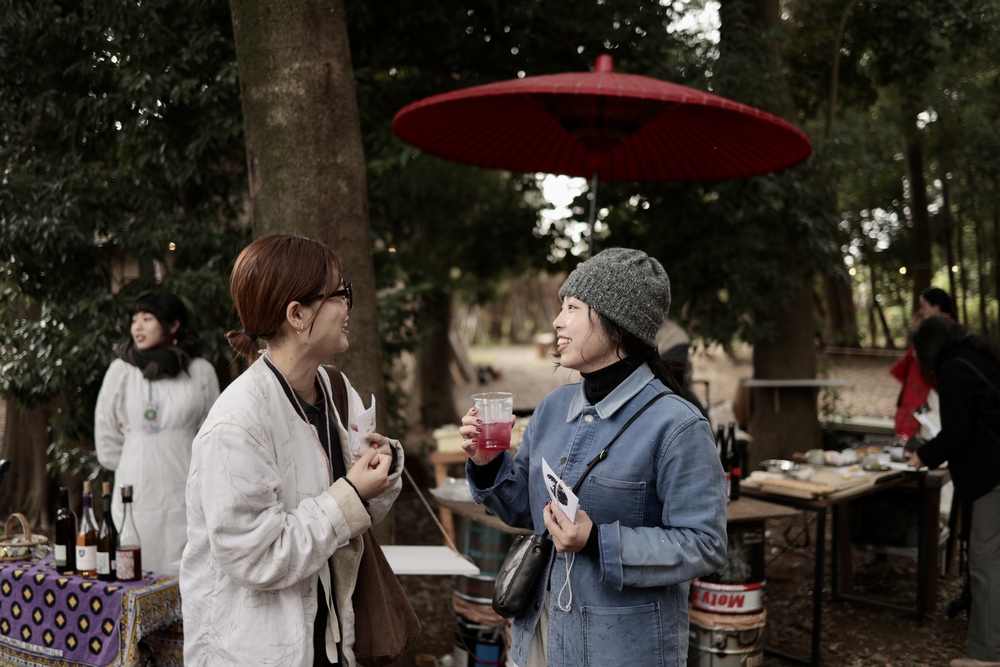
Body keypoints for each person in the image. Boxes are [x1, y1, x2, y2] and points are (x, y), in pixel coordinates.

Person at [459, 248, 728, 667]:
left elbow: (705, 545)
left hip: (622, 649)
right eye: (561, 307)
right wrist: (487, 462)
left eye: (572, 308)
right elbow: (527, 511)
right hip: (540, 637)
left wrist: (597, 540)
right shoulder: (552, 408)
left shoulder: (677, 425)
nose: (557, 321)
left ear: (617, 322)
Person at [180, 234, 403, 666]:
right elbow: (258, 558)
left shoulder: (335, 388)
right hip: (255, 651)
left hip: (333, 640)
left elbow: (360, 515)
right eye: (340, 293)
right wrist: (350, 495)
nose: (348, 306)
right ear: (297, 315)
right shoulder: (236, 425)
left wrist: (380, 473)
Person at [95, 291, 220, 574]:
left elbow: (211, 433)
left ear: (173, 325)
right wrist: (133, 461)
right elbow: (106, 431)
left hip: (187, 484)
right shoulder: (121, 371)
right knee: (137, 566)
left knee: (189, 570)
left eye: (147, 318)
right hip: (136, 488)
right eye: (134, 319)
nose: (137, 326)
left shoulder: (200, 371)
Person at [905, 316, 1000, 667]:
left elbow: (958, 432)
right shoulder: (981, 355)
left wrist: (924, 455)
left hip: (994, 477)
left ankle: (987, 656)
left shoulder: (953, 370)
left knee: (985, 562)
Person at [890, 287, 955, 440]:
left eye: (924, 306)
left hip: (936, 387)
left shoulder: (943, 329)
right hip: (931, 386)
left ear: (936, 307)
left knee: (933, 428)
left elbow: (927, 357)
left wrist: (920, 331)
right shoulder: (937, 327)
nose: (921, 311)